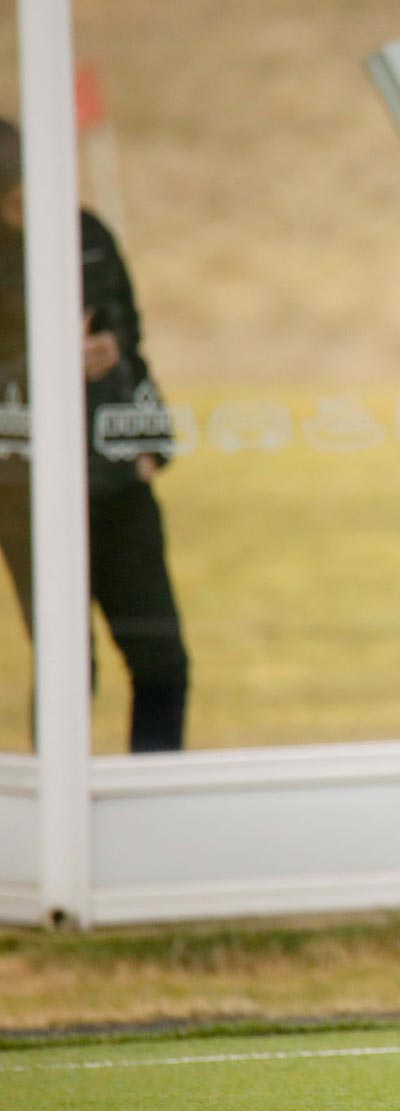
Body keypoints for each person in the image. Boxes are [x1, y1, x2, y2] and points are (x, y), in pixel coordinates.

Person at [0, 119, 189, 752]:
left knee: (162, 660)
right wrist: (43, 362)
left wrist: (147, 444)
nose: (33, 210)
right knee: (67, 665)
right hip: (26, 485)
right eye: (17, 200)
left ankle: (156, 800)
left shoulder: (89, 236)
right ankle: (59, 815)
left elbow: (132, 341)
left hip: (114, 478)